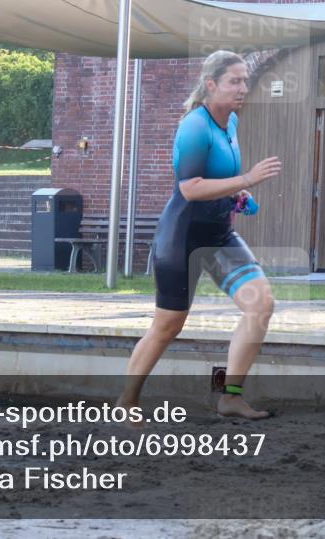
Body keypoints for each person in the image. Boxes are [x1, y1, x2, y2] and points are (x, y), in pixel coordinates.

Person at [117, 51, 281, 420]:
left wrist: (237, 193)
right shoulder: (195, 124)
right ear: (211, 85)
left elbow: (216, 178)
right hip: (183, 237)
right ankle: (126, 403)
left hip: (220, 234)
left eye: (245, 80)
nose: (243, 88)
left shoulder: (231, 122)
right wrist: (247, 179)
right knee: (168, 326)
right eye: (234, 81)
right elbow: (190, 188)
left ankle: (230, 396)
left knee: (260, 305)